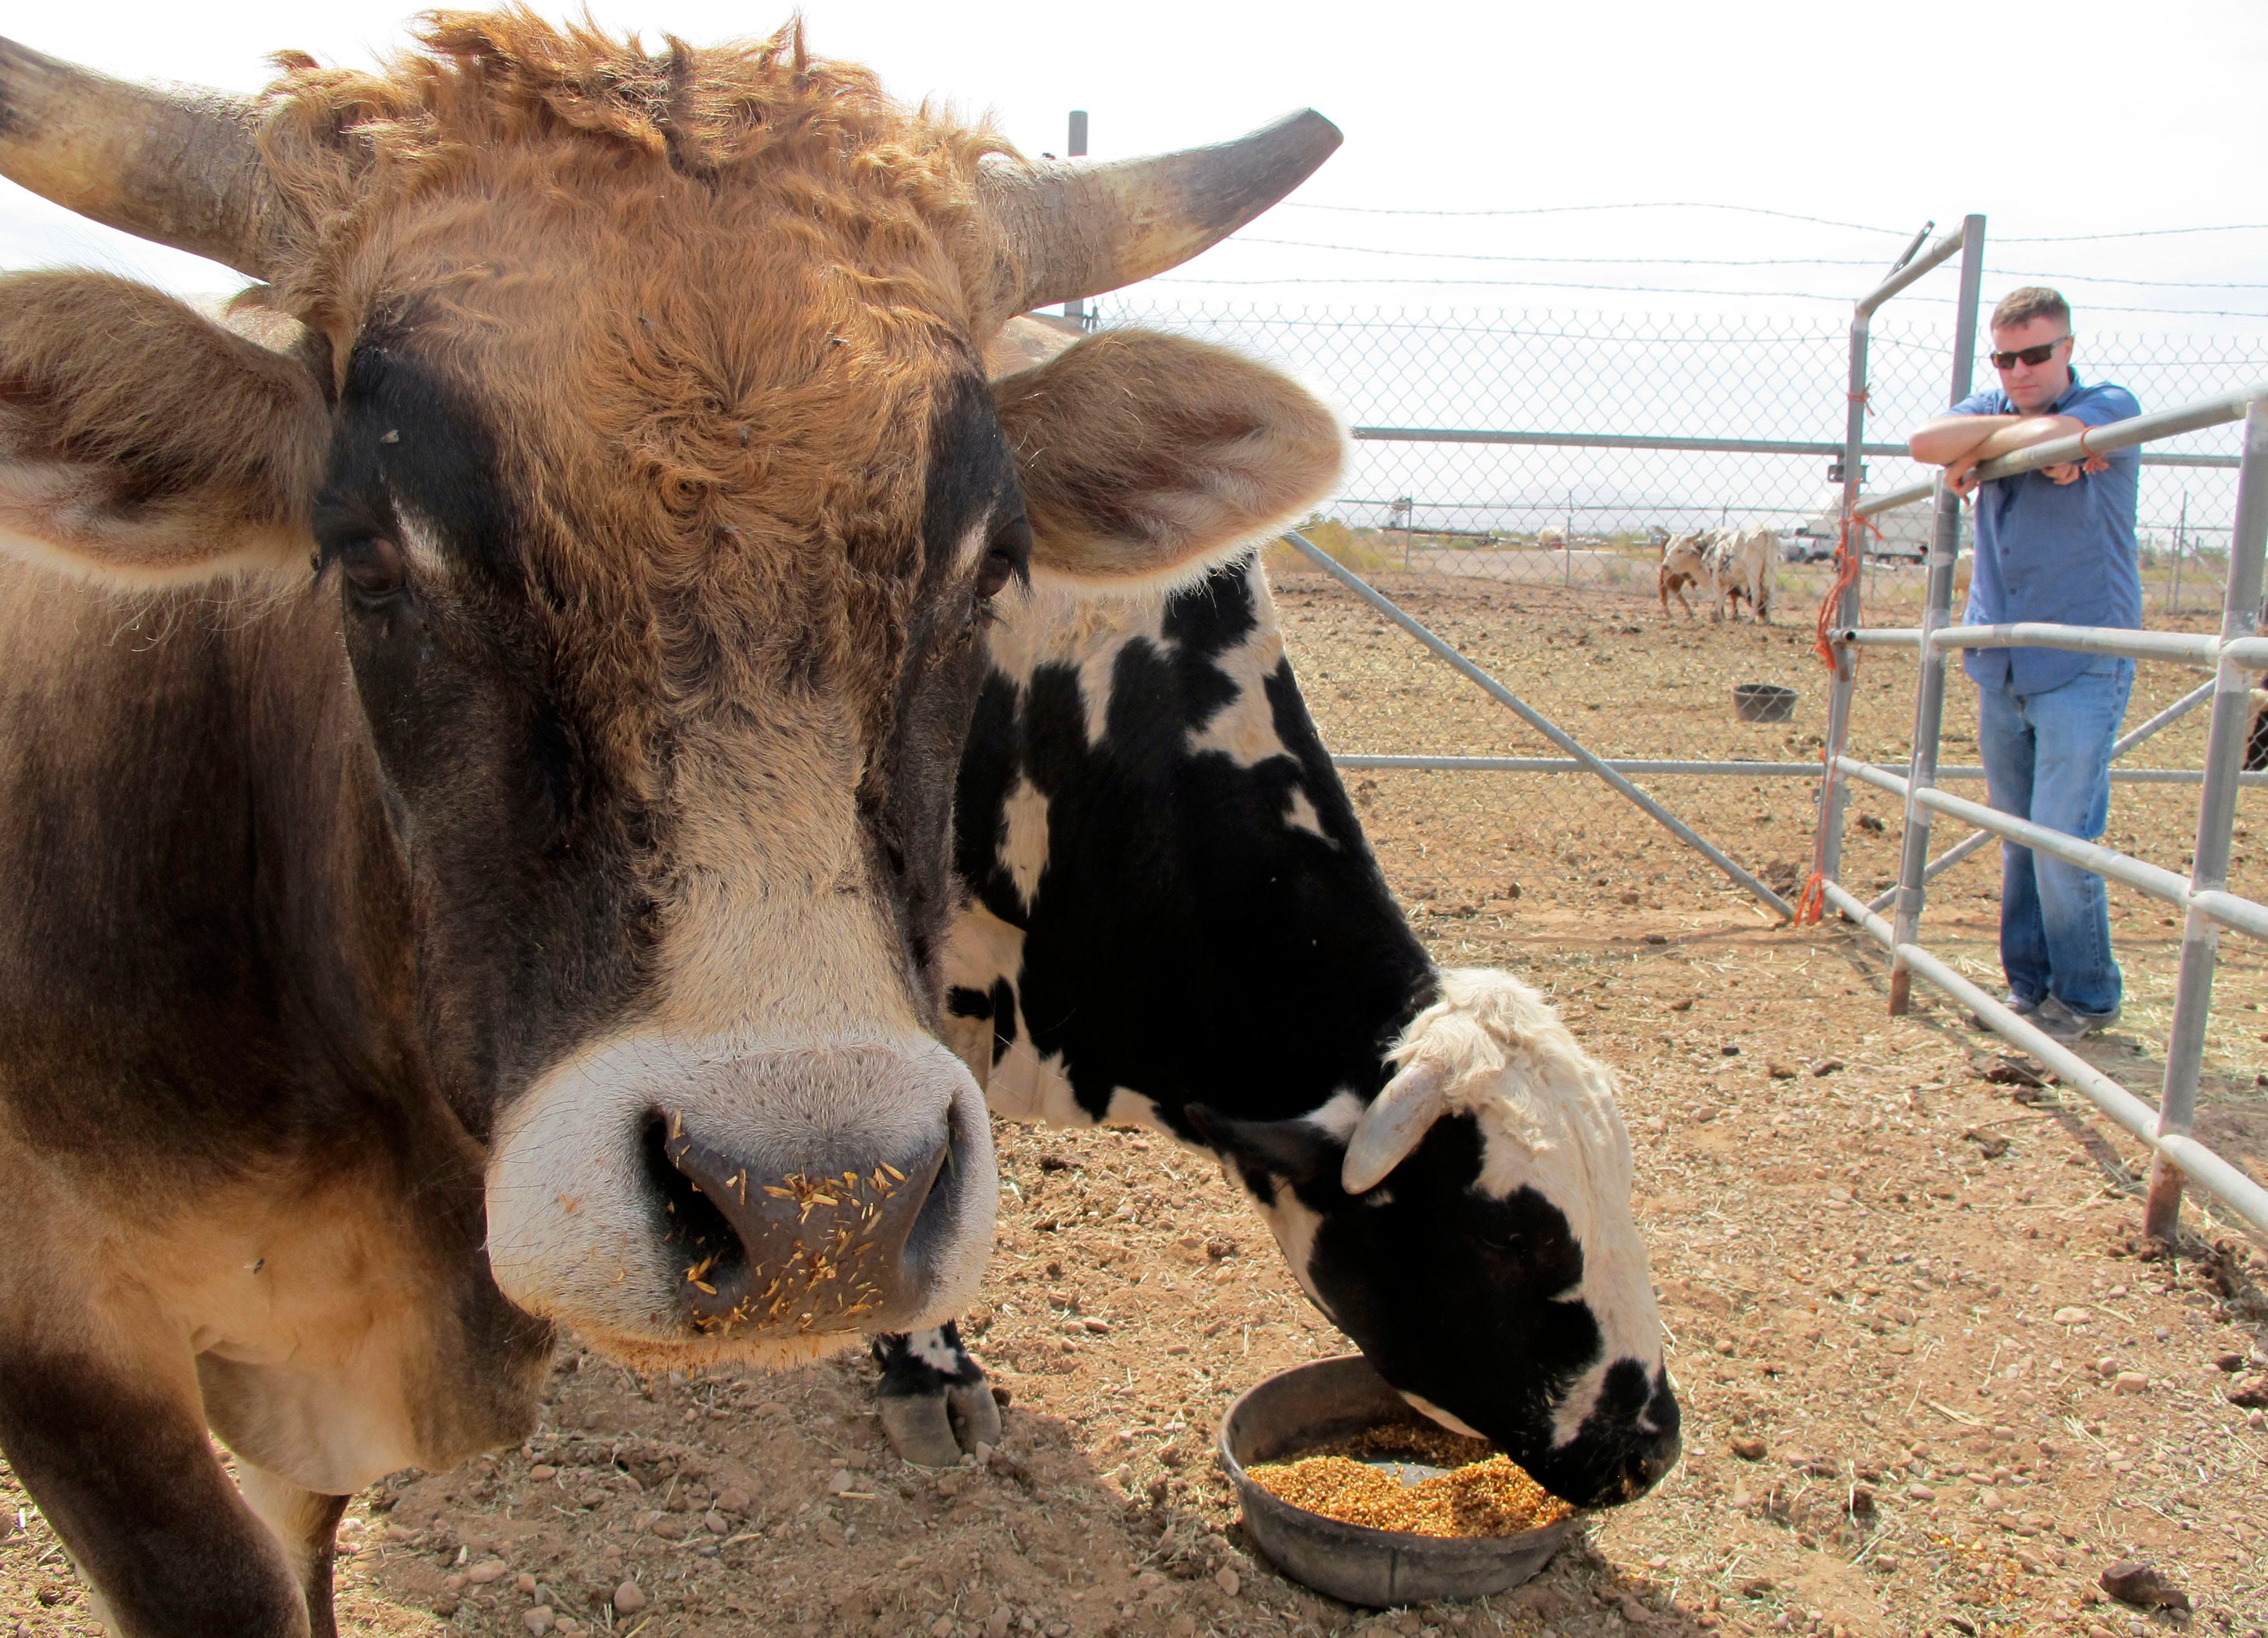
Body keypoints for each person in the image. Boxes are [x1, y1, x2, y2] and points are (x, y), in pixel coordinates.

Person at [1907, 287, 2141, 1043]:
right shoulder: (1994, 402)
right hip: (2002, 655)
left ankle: (2088, 995)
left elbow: (2073, 432)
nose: (2020, 369)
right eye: (2006, 357)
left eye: (2035, 354)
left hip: (2081, 654)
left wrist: (1984, 450)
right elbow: (1925, 444)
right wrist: (2006, 441)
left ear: (2067, 347)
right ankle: (2031, 986)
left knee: (2060, 841)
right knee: (2019, 839)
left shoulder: (2109, 402)